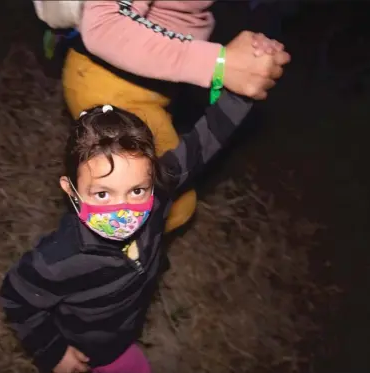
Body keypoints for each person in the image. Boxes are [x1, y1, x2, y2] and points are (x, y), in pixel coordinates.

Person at [0, 82, 270, 372]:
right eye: (102, 194)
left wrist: (241, 94)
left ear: (153, 177)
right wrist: (52, 352)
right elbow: (15, 297)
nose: (123, 210)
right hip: (88, 351)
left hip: (125, 332)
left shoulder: (160, 191)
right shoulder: (58, 258)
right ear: (71, 190)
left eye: (137, 191)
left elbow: (199, 146)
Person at [62, 0, 290, 234]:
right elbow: (104, 24)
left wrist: (246, 55)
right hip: (109, 84)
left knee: (159, 200)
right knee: (163, 206)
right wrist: (218, 63)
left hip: (151, 85)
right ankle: (103, 260)